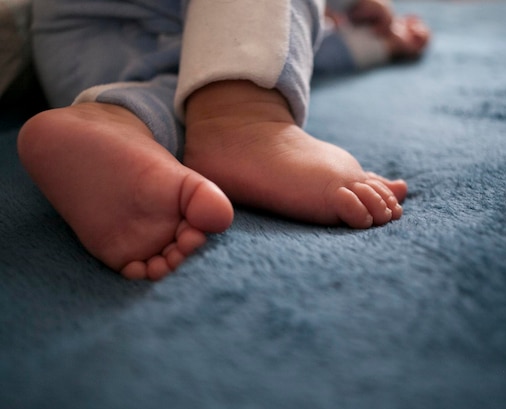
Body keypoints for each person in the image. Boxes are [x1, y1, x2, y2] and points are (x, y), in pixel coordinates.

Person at [18, 0, 430, 280]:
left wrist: (367, 42)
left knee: (198, 92)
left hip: (79, 35)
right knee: (229, 80)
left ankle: (113, 118)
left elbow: (281, 44)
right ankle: (243, 118)